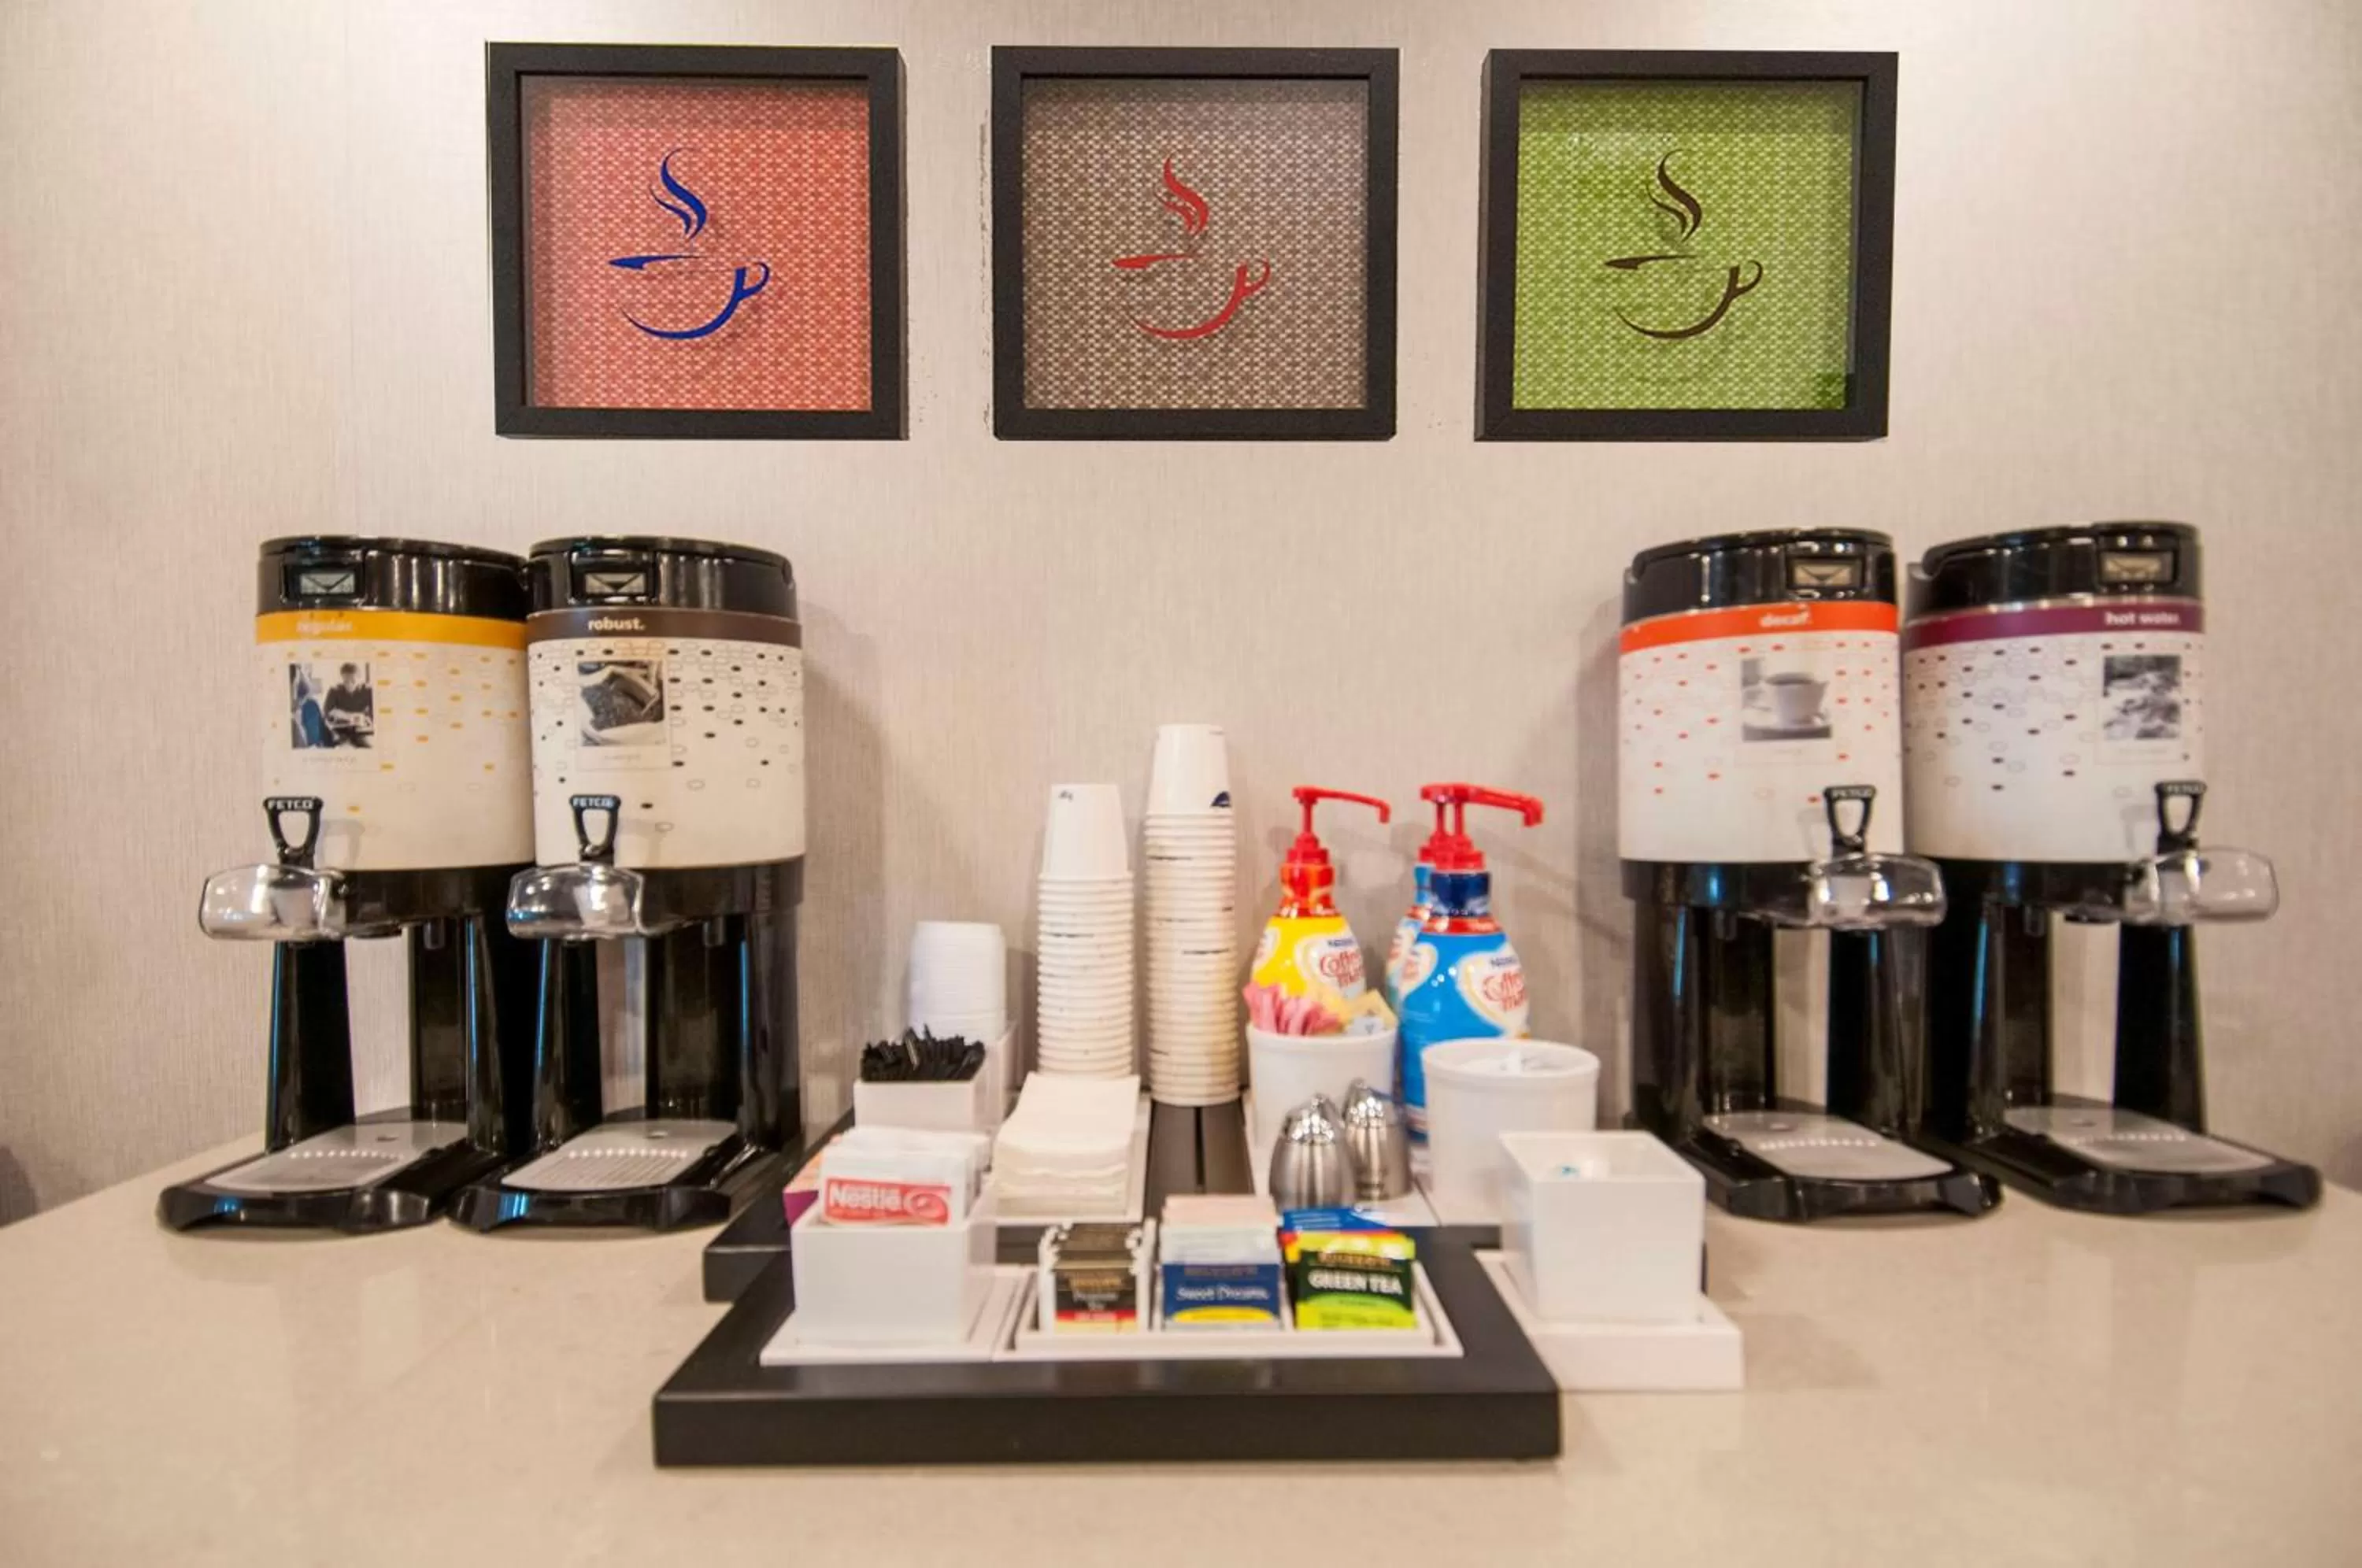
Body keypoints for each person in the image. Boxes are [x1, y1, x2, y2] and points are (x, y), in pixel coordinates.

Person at [322, 663, 374, 747]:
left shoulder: (368, 690)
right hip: (340, 731)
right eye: (346, 681)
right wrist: (347, 716)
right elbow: (327, 712)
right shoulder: (334, 690)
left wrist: (368, 719)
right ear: (342, 678)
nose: (349, 685)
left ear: (360, 678)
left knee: (368, 747)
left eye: (353, 681)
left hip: (361, 730)